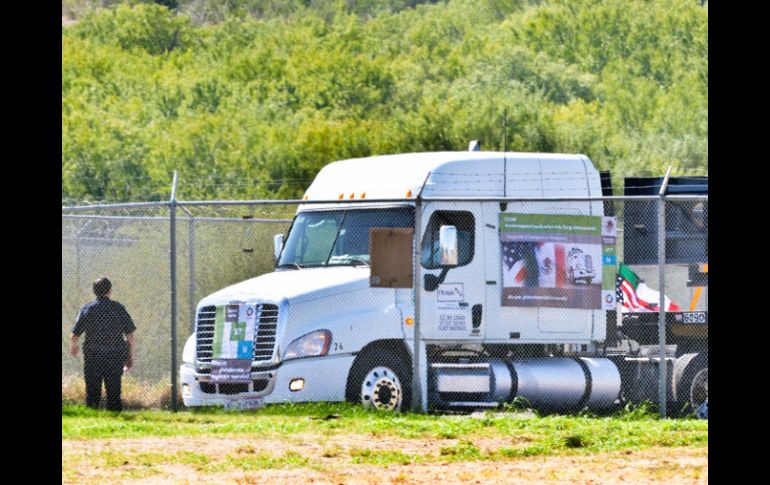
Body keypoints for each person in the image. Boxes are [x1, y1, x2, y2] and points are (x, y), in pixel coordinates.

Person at [70, 277, 136, 411]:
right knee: (114, 392)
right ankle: (115, 416)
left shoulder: (87, 309)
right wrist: (130, 355)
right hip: (115, 355)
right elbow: (130, 336)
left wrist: (74, 346)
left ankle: (92, 416)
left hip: (93, 355)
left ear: (94, 291)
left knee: (92, 392)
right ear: (110, 290)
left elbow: (74, 334)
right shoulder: (118, 308)